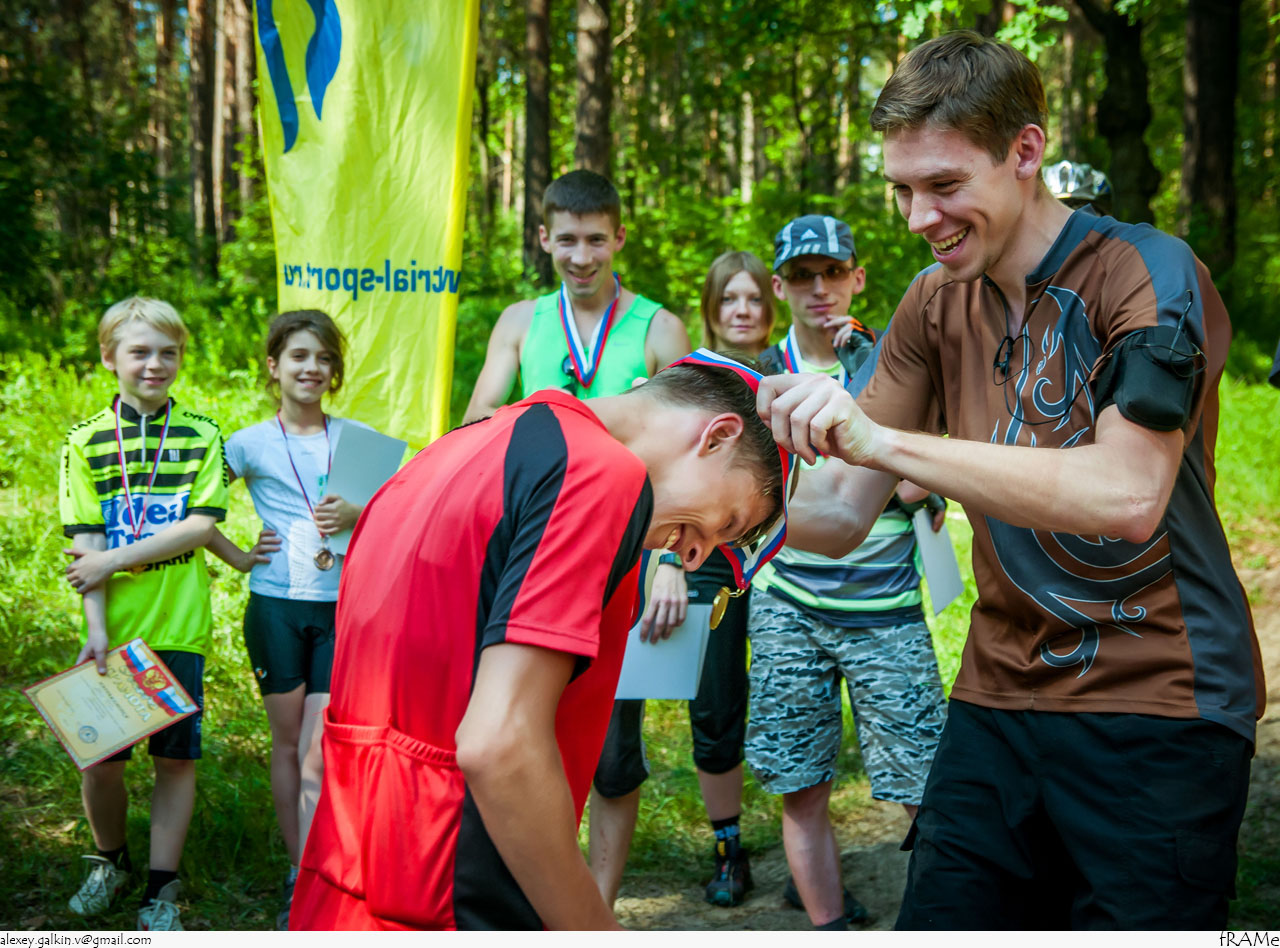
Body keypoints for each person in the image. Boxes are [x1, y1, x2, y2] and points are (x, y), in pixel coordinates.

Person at [756, 31, 1263, 930]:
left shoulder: (1147, 270)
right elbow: (835, 514)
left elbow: (1128, 494)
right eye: (902, 190)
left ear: (1025, 153)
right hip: (995, 697)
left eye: (944, 185)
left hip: (1161, 698)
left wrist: (882, 440)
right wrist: (673, 489)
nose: (918, 217)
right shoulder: (932, 300)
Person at [289, 354, 791, 930]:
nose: (697, 555)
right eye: (727, 523)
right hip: (456, 887)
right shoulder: (598, 473)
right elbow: (500, 745)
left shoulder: (457, 445)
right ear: (718, 436)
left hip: (346, 878)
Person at [463, 168, 692, 906]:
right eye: (567, 240)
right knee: (524, 724)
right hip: (530, 551)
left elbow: (685, 453)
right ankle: (536, 895)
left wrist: (669, 562)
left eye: (596, 240)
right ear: (544, 238)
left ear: (619, 237)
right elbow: (475, 421)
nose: (582, 256)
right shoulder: (520, 322)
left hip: (624, 551)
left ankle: (597, 903)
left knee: (614, 747)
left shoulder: (659, 328)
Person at [745, 216, 948, 930]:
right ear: (779, 287)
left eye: (833, 272)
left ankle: (940, 925)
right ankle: (828, 926)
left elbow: (920, 483)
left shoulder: (891, 364)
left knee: (925, 786)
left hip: (885, 608)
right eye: (802, 276)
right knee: (801, 786)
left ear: (857, 277)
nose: (820, 288)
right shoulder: (755, 378)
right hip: (787, 606)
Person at [59, 297, 230, 931]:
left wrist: (113, 559)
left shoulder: (201, 433)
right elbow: (87, 546)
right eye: (140, 352)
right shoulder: (84, 441)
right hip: (114, 630)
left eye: (168, 352)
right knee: (102, 761)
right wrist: (97, 628)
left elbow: (200, 526)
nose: (155, 364)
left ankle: (162, 886)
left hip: (179, 625)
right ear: (110, 358)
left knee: (174, 760)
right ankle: (109, 861)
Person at [206, 310, 371, 929]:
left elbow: (397, 515)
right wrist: (237, 554)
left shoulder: (359, 440)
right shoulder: (247, 443)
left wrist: (357, 513)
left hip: (341, 607)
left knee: (316, 748)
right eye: (299, 356)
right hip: (275, 606)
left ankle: (319, 877)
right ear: (274, 367)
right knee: (287, 743)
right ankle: (297, 874)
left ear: (335, 372)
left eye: (324, 359)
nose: (312, 368)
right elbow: (194, 506)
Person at [640, 250, 777, 908]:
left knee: (782, 700)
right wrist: (668, 562)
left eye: (752, 298)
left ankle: (812, 857)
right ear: (711, 309)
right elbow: (665, 483)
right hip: (710, 561)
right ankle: (728, 847)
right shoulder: (692, 380)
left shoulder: (788, 373)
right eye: (729, 299)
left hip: (784, 567)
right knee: (715, 705)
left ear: (769, 307)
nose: (742, 311)